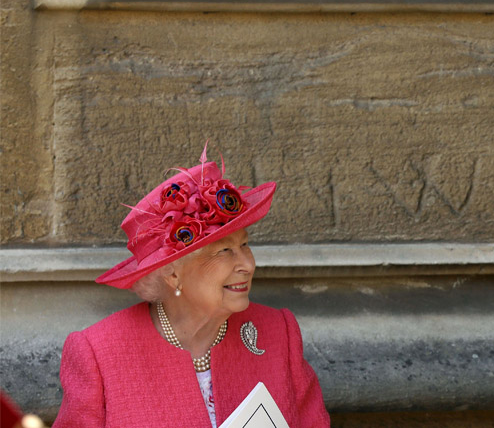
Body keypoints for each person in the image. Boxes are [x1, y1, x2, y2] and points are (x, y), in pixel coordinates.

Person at [53, 144, 330, 427]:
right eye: (224, 251)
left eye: (244, 244)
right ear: (173, 274)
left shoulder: (277, 333)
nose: (247, 264)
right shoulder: (98, 353)